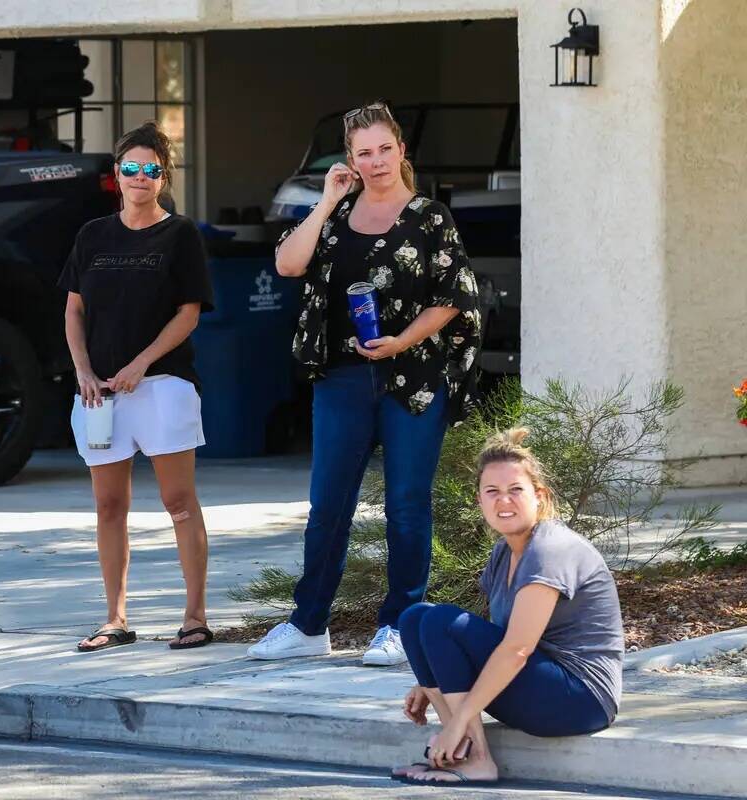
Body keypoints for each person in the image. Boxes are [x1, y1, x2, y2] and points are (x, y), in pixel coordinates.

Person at [248, 101, 482, 665]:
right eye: (363, 153)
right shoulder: (334, 212)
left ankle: (401, 624)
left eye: (384, 149)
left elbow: (457, 297)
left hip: (414, 376)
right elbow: (288, 264)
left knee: (406, 505)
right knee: (328, 503)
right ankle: (308, 625)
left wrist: (402, 342)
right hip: (343, 377)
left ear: (401, 151)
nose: (375, 161)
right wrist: (327, 199)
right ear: (349, 161)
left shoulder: (430, 218)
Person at [392, 428, 624, 786]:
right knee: (415, 617)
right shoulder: (504, 552)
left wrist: (456, 719)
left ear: (539, 496)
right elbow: (486, 635)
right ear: (479, 500)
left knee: (439, 620)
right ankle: (459, 752)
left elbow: (517, 648)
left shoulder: (550, 550)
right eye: (493, 492)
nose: (504, 501)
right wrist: (428, 682)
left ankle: (475, 756)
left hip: (580, 700)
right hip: (539, 684)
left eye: (516, 490)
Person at [60, 121, 216, 653]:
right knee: (109, 506)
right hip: (100, 393)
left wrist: (142, 364)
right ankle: (115, 618)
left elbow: (189, 314)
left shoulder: (181, 236)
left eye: (151, 169)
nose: (140, 177)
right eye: (131, 168)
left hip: (163, 386)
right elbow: (74, 308)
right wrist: (82, 370)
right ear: (116, 174)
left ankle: (194, 616)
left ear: (163, 176)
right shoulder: (92, 236)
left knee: (178, 501)